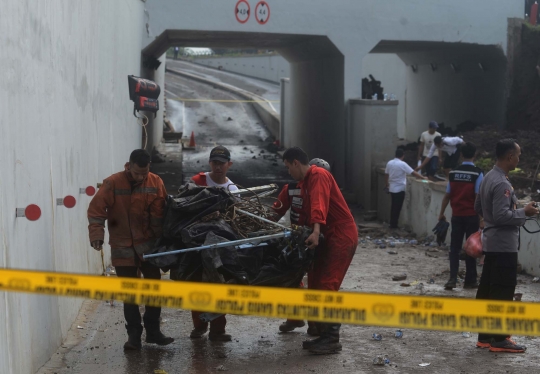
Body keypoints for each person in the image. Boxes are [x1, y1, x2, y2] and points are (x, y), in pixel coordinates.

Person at [87, 149, 173, 350]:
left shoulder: (156, 182)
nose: (141, 177)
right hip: (122, 245)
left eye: (144, 173)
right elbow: (96, 211)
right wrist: (96, 236)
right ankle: (133, 336)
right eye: (136, 173)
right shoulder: (113, 183)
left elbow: (165, 212)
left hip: (149, 246)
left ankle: (153, 332)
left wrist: (165, 240)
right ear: (129, 165)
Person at [281, 147, 358, 355]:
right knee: (314, 283)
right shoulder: (303, 184)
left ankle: (332, 339)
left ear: (296, 163)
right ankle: (319, 330)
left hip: (340, 234)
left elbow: (319, 205)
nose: (289, 172)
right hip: (325, 235)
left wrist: (315, 231)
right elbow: (304, 211)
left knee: (327, 285)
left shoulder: (319, 175)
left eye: (289, 167)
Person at [474, 139, 538, 353]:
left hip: (491, 243)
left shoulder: (488, 177)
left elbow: (479, 206)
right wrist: (524, 213)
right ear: (510, 157)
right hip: (503, 245)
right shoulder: (502, 183)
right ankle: (499, 339)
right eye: (518, 155)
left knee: (488, 288)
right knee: (502, 289)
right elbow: (502, 215)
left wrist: (492, 219)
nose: (519, 159)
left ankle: (485, 336)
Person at [272, 158, 331, 337]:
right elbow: (276, 211)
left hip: (321, 240)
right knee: (291, 278)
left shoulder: (327, 192)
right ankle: (295, 317)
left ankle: (314, 325)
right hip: (298, 241)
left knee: (317, 282)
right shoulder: (291, 189)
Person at [189, 145, 237, 341]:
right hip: (197, 243)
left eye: (222, 163)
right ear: (210, 163)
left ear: (229, 165)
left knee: (219, 284)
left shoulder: (233, 189)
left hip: (220, 246)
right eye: (215, 163)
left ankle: (218, 330)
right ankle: (199, 326)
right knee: (197, 284)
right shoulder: (197, 182)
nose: (218, 167)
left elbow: (236, 219)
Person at [438, 142, 484, 290]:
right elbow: (478, 197)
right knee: (472, 248)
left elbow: (447, 195)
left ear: (461, 155)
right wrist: (481, 217)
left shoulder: (453, 173)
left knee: (454, 248)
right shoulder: (478, 173)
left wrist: (441, 214)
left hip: (456, 216)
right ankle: (470, 280)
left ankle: (452, 279)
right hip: (471, 216)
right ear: (474, 155)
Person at [385, 148, 426, 229]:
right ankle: (393, 225)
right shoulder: (402, 164)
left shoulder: (389, 163)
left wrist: (387, 185)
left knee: (393, 207)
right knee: (397, 207)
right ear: (403, 156)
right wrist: (423, 178)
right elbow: (413, 173)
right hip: (400, 189)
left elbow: (386, 174)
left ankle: (392, 224)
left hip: (392, 188)